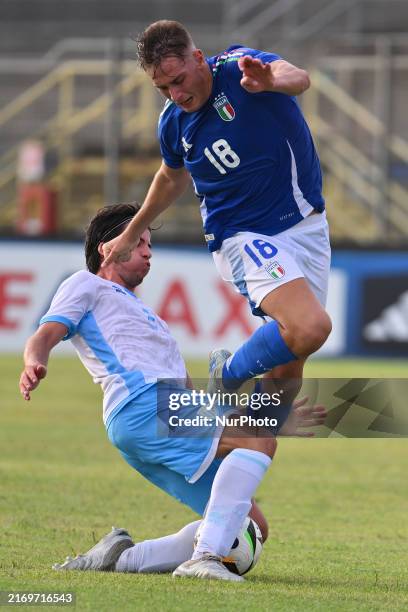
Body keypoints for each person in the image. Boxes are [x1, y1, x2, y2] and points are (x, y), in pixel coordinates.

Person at [19, 203, 325, 581]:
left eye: (150, 244)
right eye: (140, 242)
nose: (149, 252)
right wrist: (35, 361)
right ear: (107, 248)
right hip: (143, 404)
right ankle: (205, 558)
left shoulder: (150, 320)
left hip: (148, 418)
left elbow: (196, 404)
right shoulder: (86, 284)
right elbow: (44, 333)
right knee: (257, 440)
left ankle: (119, 558)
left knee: (249, 526)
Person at [101, 20, 332, 422]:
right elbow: (170, 178)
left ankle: (233, 462)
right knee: (311, 327)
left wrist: (272, 80)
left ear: (198, 58)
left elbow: (298, 78)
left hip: (307, 226)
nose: (174, 94)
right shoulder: (173, 123)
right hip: (241, 233)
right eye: (162, 89)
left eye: (177, 80)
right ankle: (225, 375)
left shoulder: (242, 69)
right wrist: (132, 230)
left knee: (285, 377)